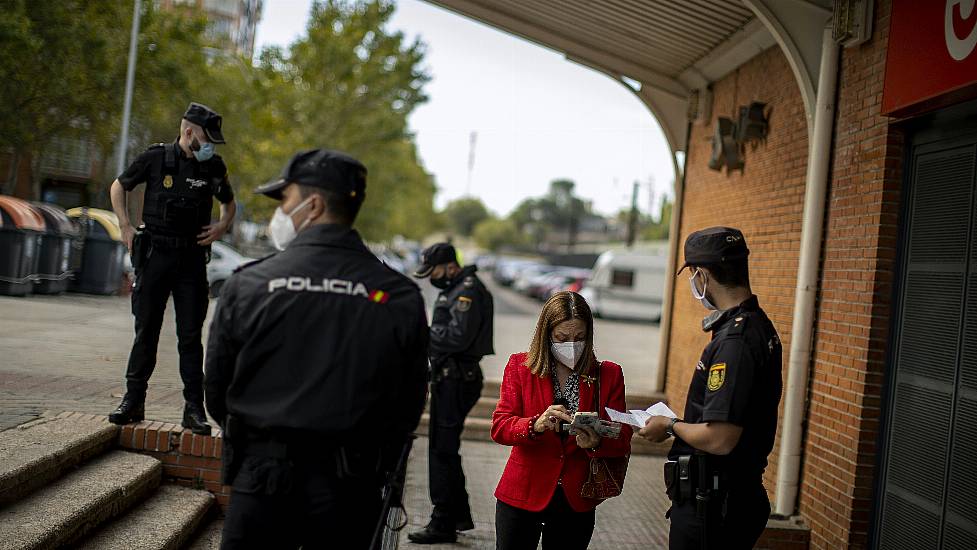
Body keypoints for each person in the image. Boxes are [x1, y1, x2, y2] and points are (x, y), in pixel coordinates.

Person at [204, 148, 429, 549]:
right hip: (352, 487)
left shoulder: (249, 284)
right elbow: (408, 404)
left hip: (262, 481)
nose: (281, 212)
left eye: (286, 200)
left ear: (314, 205)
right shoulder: (399, 296)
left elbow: (217, 388)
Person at [638, 227, 783, 550]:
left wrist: (670, 425)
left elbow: (719, 439)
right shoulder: (757, 325)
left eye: (693, 274)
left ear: (702, 275)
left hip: (716, 507)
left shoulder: (736, 342)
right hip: (727, 500)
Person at [108, 102, 236, 434]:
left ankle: (194, 410)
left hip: (191, 261)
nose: (211, 146)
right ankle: (133, 400)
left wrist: (222, 226)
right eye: (208, 138)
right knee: (146, 330)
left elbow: (229, 202)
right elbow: (119, 186)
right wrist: (124, 226)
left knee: (190, 337)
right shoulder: (155, 158)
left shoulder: (213, 166)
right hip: (156, 256)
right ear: (189, 131)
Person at [492, 291, 632, 550]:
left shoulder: (609, 374)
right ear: (547, 335)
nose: (571, 345)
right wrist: (534, 424)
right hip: (523, 493)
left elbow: (622, 437)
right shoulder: (520, 367)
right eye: (562, 338)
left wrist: (595, 442)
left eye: (579, 338)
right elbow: (500, 426)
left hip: (575, 496)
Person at [407, 242, 494, 544]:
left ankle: (443, 522)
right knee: (444, 451)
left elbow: (458, 337)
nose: (432, 276)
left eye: (434, 270)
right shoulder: (457, 287)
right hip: (450, 378)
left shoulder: (467, 290)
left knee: (442, 452)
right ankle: (456, 515)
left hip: (458, 379)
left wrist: (422, 331)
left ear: (450, 266)